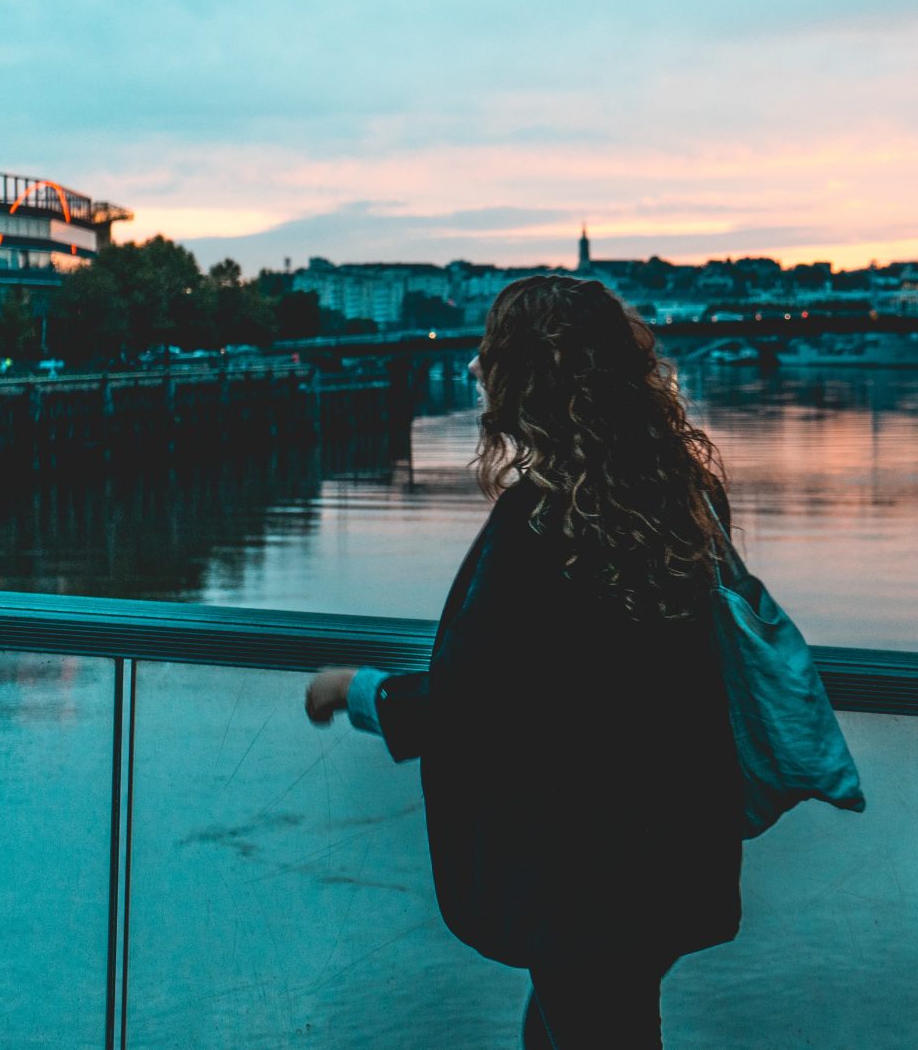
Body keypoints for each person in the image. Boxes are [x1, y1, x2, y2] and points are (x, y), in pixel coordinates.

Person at [303, 274, 744, 1049]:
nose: (475, 369)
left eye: (489, 354)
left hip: (580, 872)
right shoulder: (678, 499)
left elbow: (479, 703)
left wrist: (356, 689)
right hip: (665, 845)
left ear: (527, 377)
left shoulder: (541, 523)